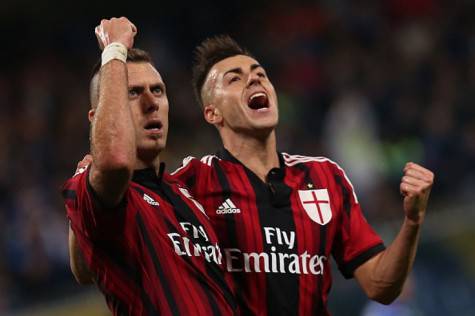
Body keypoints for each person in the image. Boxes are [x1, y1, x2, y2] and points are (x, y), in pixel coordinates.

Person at [70, 33, 434, 315]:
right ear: (212, 113)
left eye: (260, 74)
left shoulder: (326, 178)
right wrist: (89, 182)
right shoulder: (190, 185)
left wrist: (412, 221)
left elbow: (382, 285)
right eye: (235, 78)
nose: (254, 82)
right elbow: (93, 259)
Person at [62, 18, 236, 315]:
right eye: (132, 92)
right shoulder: (100, 191)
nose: (151, 102)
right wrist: (114, 51)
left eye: (158, 90)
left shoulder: (185, 191)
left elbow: (85, 271)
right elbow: (115, 161)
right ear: (98, 116)